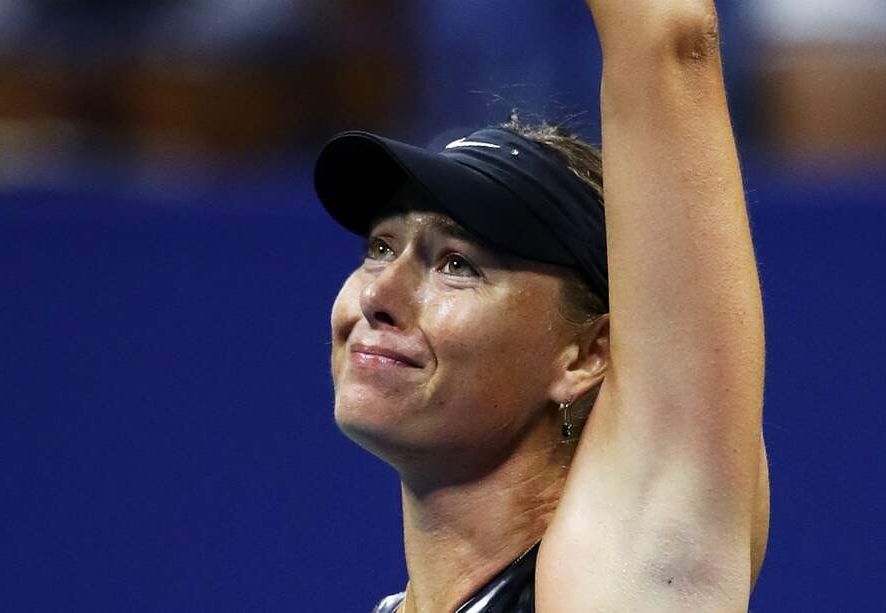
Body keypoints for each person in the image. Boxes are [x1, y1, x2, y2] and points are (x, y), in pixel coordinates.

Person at [313, 1, 770, 611]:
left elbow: (667, 40)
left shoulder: (631, 578)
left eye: (456, 265)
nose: (376, 297)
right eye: (379, 248)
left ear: (586, 352)